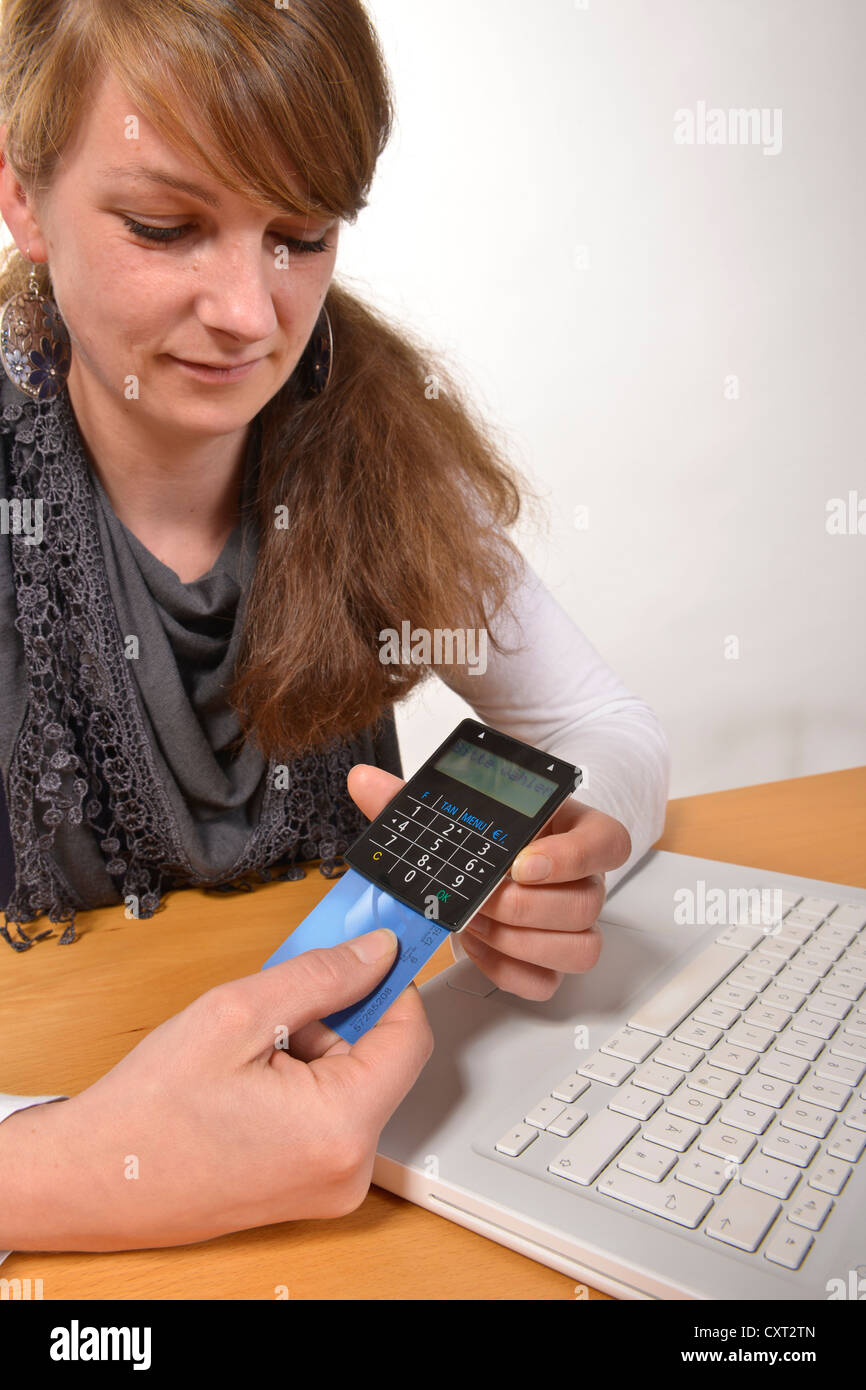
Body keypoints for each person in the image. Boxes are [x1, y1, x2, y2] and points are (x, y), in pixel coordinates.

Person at [0, 0, 669, 1259]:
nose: (253, 314)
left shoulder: (376, 450)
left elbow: (602, 728)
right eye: (166, 225)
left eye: (300, 236)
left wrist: (580, 846)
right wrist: (73, 1169)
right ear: (23, 198)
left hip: (375, 1181)